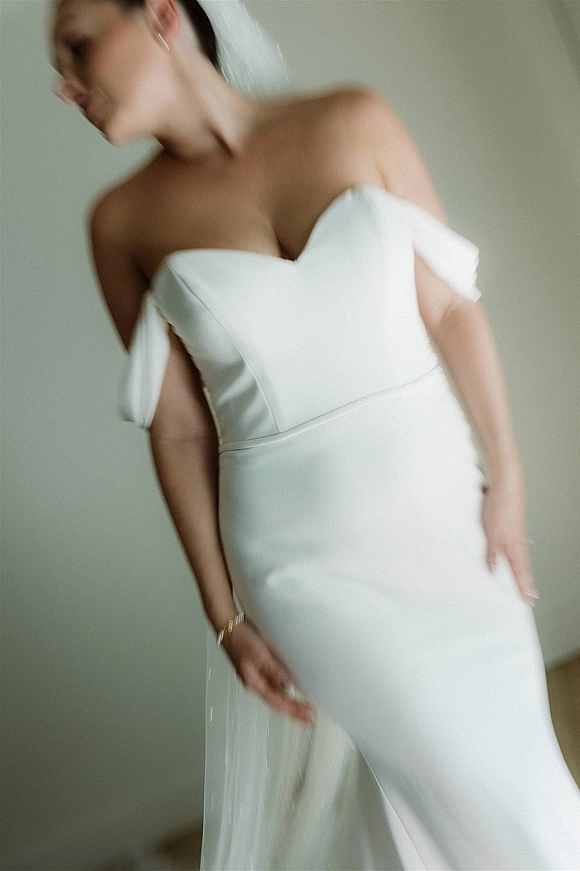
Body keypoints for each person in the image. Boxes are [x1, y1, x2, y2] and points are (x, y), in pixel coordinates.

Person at [48, 0, 580, 867]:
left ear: (158, 17)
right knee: (489, 791)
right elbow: (180, 429)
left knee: (491, 773)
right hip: (304, 563)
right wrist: (223, 613)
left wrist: (508, 475)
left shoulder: (353, 120)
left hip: (447, 512)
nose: (66, 87)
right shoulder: (121, 224)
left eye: (76, 47)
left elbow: (447, 303)